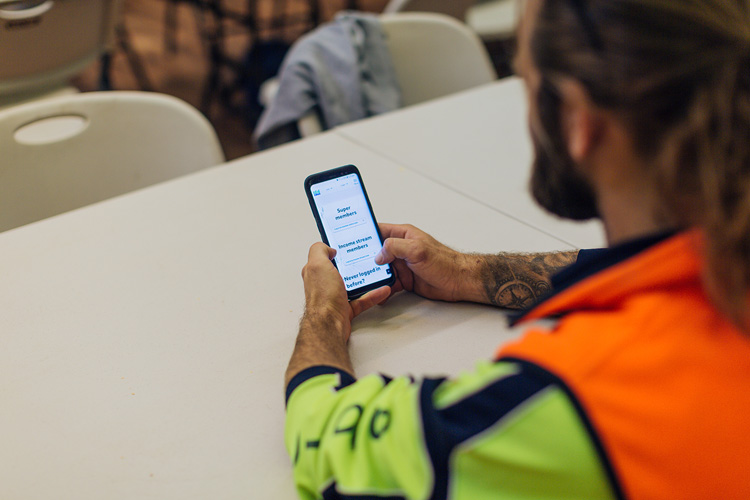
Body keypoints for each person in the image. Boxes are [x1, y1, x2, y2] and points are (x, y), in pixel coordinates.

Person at [285, 0, 750, 498]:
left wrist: (325, 315)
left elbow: (333, 448)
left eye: (526, 84)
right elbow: (653, 267)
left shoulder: (578, 398)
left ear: (577, 119)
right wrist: (465, 272)